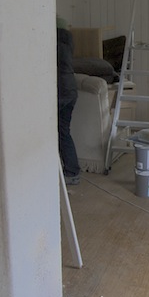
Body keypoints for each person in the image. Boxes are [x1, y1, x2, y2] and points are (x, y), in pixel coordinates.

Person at [57, 16, 80, 185]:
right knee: (64, 132)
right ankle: (72, 172)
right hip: (70, 89)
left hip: (59, 90)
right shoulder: (67, 42)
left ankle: (66, 172)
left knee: (51, 133)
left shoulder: (53, 42)